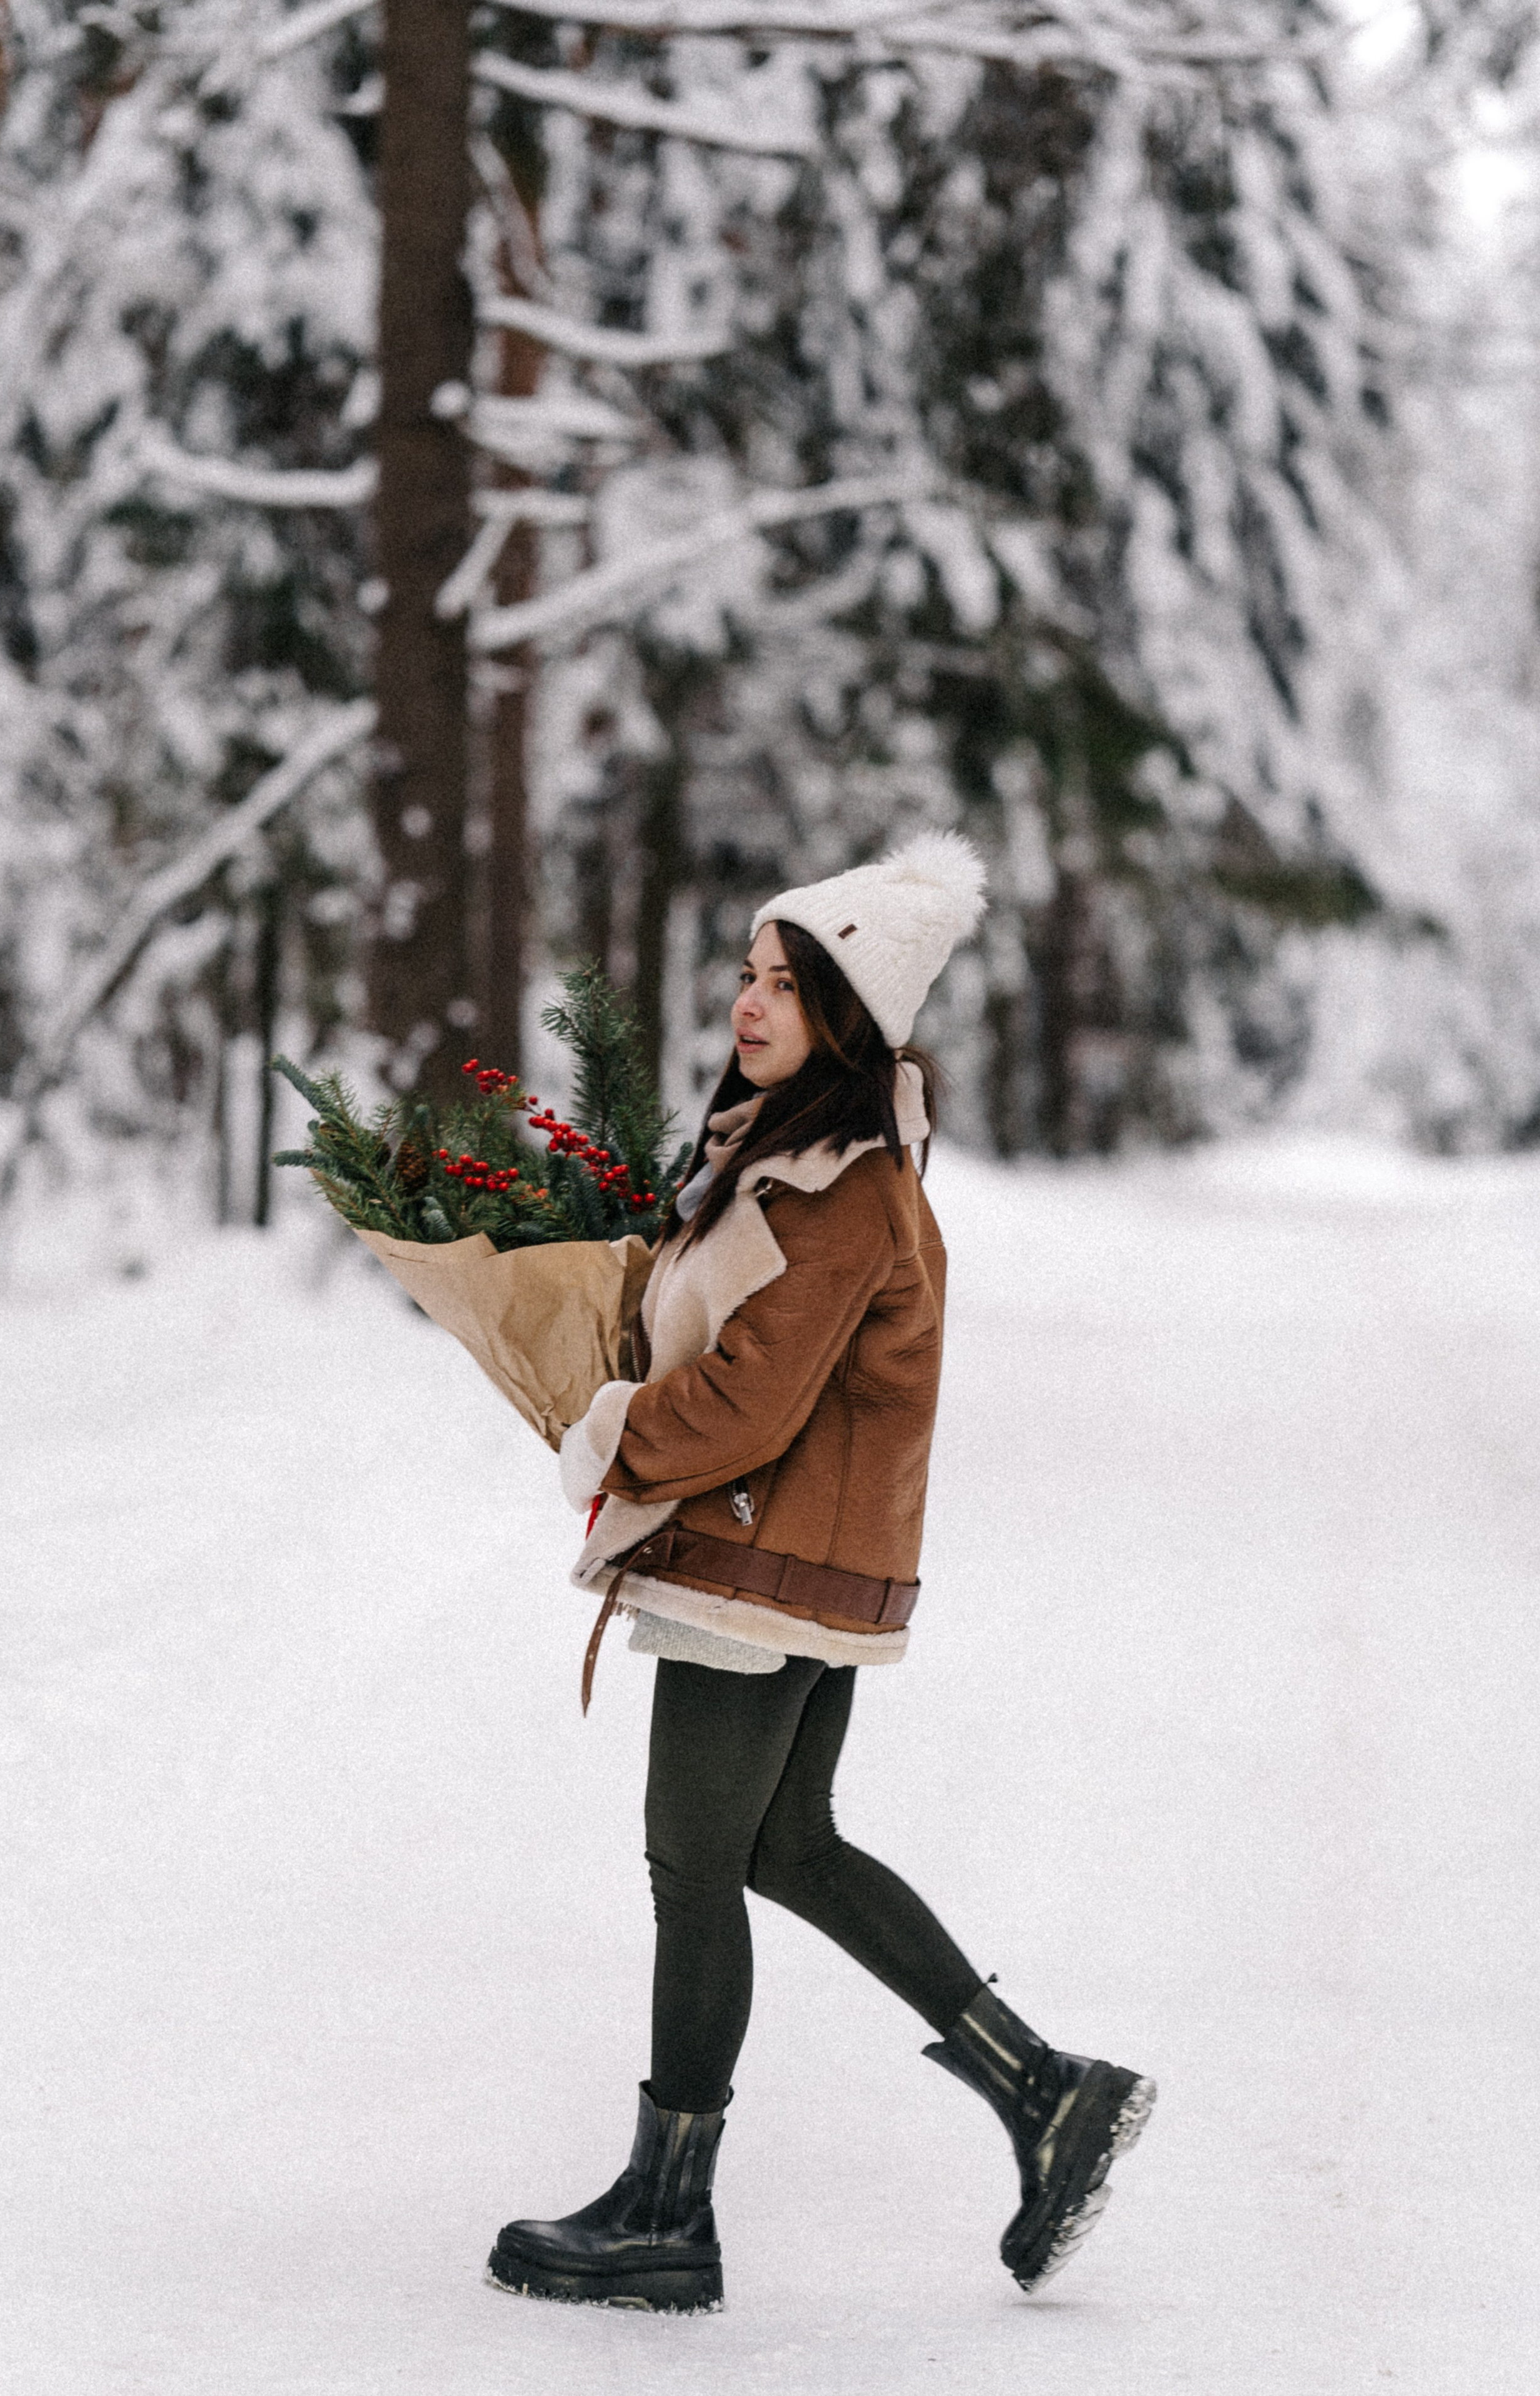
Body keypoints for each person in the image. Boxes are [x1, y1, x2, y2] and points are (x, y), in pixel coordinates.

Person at [487, 833, 1154, 2314]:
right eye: (747, 973)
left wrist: (611, 1435)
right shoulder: (793, 1155)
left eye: (786, 984)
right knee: (782, 1848)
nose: (749, 1001)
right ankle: (1045, 2094)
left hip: (758, 1555)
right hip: (790, 1550)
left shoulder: (837, 1183)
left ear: (849, 1015)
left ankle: (667, 2213)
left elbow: (749, 1398)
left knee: (690, 1866)